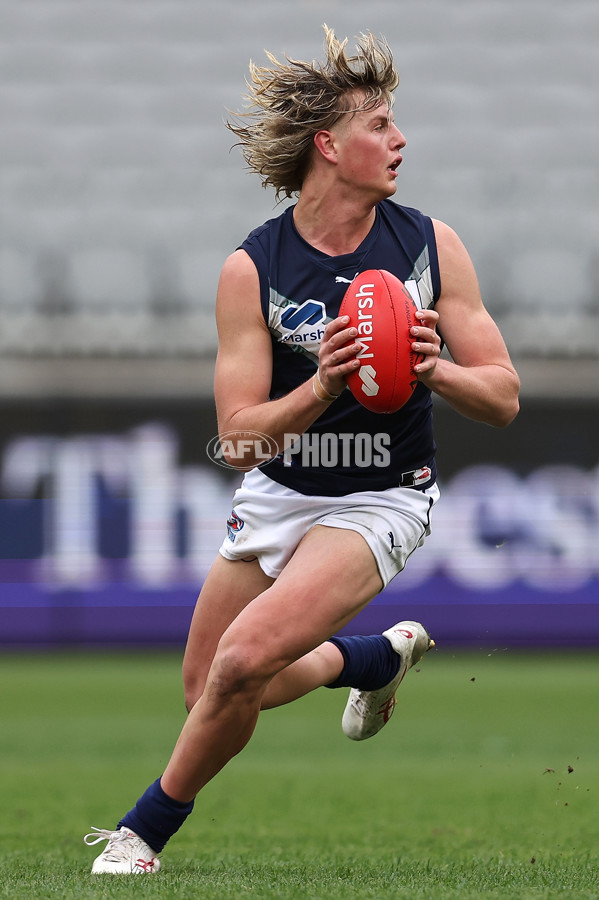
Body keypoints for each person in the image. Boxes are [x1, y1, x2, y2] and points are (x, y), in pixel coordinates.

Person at [83, 26, 519, 873]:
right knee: (210, 683)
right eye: (380, 125)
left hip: (383, 495)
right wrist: (320, 387)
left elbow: (502, 396)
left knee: (244, 659)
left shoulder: (430, 246)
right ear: (329, 145)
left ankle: (140, 836)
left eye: (396, 125)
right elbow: (238, 438)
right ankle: (373, 658)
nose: (400, 141)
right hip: (281, 492)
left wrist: (435, 371)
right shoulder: (254, 267)